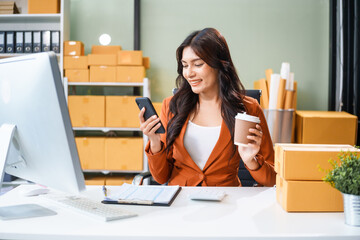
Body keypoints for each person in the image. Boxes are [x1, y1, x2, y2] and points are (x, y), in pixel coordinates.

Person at [139, 28, 276, 187]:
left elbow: (272, 179)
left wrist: (251, 161)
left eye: (197, 64)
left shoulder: (248, 108)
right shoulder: (171, 106)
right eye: (185, 65)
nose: (189, 73)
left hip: (227, 203)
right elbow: (161, 178)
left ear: (219, 64)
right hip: (181, 201)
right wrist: (155, 143)